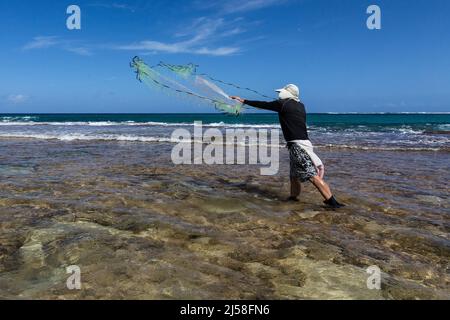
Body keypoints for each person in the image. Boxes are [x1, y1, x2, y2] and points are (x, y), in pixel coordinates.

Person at [231, 84, 345, 209]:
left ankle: (332, 202)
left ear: (287, 93)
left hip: (298, 146)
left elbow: (264, 104)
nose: (279, 95)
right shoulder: (301, 105)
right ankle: (293, 197)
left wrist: (244, 101)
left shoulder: (283, 104)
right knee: (294, 175)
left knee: (312, 176)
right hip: (303, 143)